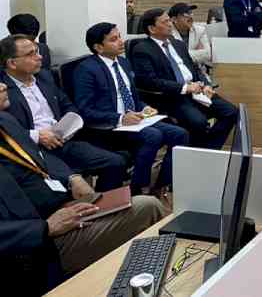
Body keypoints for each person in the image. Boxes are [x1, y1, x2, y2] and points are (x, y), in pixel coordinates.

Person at [0, 88, 165, 291]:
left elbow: (40, 157)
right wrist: (47, 227)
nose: (3, 86)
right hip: (35, 243)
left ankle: (136, 280)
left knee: (133, 201)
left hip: (64, 206)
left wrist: (72, 178)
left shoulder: (6, 121)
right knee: (147, 206)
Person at [73, 23, 189, 197]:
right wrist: (120, 118)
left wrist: (144, 107)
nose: (121, 42)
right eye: (114, 39)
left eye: (119, 36)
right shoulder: (87, 69)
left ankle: (161, 184)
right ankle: (137, 189)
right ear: (98, 47)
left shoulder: (124, 63)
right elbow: (85, 110)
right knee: (153, 135)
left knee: (180, 134)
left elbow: (133, 97)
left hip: (135, 120)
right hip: (109, 127)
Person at [0, 35, 128, 191]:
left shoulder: (44, 77)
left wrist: (69, 126)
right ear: (12, 63)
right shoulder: (2, 89)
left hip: (62, 139)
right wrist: (37, 136)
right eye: (31, 54)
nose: (39, 57)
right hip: (32, 151)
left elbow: (68, 105)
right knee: (70, 182)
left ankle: (102, 206)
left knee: (115, 162)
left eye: (37, 51)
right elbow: (5, 132)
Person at [131, 9, 238, 150]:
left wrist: (205, 85)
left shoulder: (177, 44)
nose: (170, 24)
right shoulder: (142, 49)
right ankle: (198, 153)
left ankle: (207, 150)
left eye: (169, 20)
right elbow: (150, 81)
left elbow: (195, 70)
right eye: (165, 22)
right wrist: (184, 88)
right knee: (198, 122)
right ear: (152, 28)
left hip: (197, 92)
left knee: (231, 112)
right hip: (173, 97)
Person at [169, 3, 211, 74]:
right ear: (174, 19)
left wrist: (182, 55)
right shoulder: (168, 33)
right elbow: (170, 57)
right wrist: (197, 53)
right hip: (176, 73)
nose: (190, 17)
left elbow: (207, 54)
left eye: (191, 13)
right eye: (185, 15)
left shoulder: (200, 30)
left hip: (197, 72)